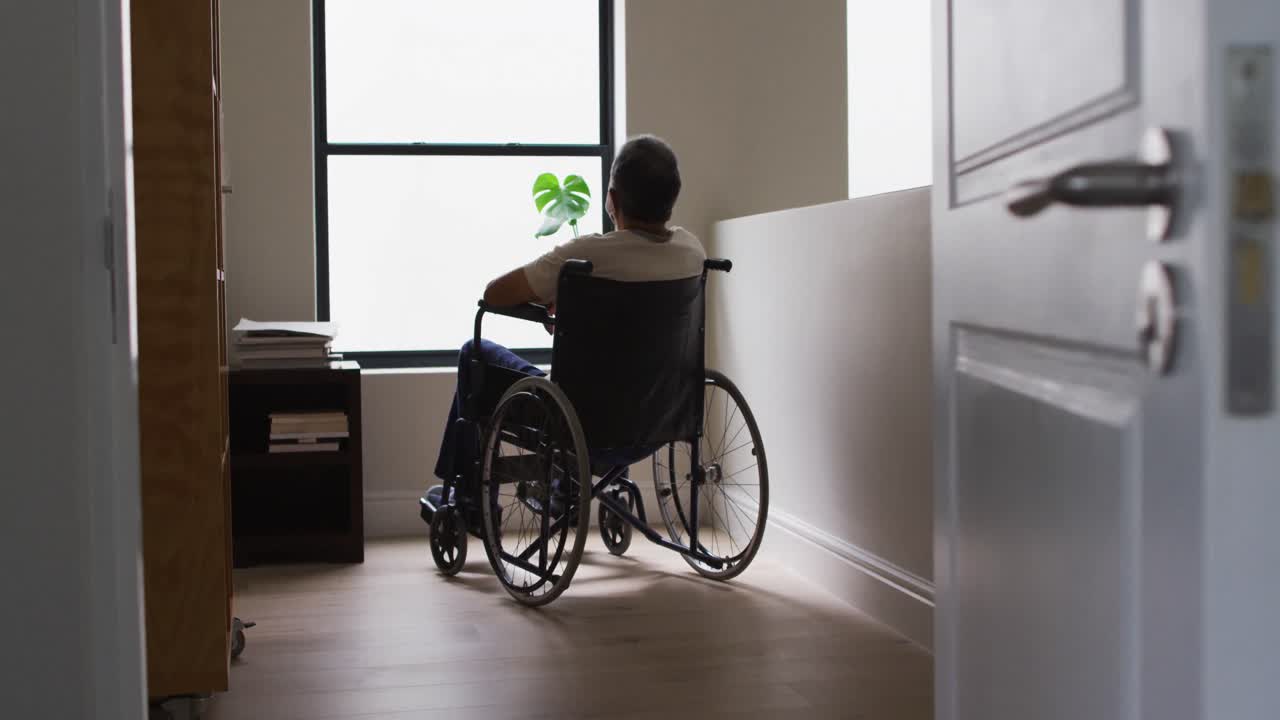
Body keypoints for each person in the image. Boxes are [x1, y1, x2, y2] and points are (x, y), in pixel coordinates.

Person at [432, 134, 706, 484]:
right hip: (662, 419)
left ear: (612, 200)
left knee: (474, 351)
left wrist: (553, 298)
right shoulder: (691, 252)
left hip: (581, 423)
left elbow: (495, 294)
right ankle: (563, 488)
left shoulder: (586, 257)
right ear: (671, 200)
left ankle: (464, 496)